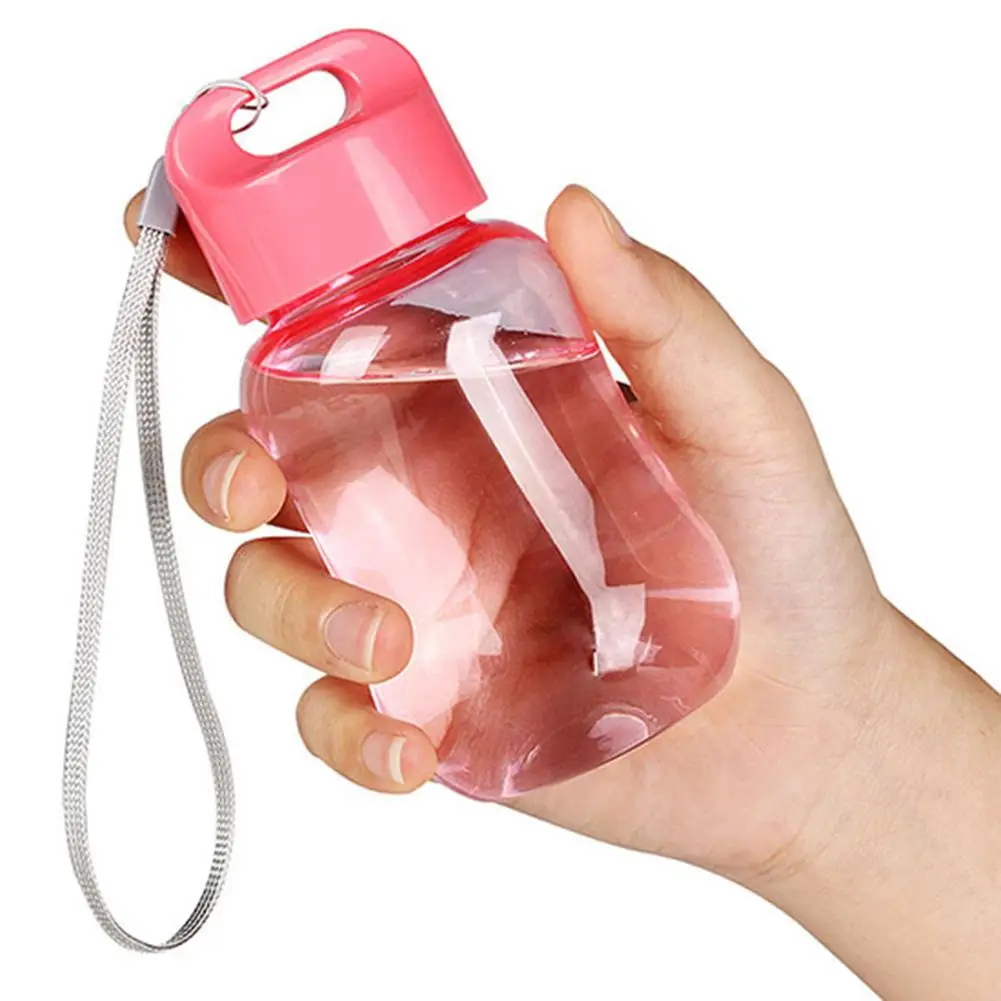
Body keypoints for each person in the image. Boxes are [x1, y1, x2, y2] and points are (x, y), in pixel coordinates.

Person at [125, 183, 1001, 1000]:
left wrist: (840, 741)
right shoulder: (320, 354)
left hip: (691, 640)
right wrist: (836, 772)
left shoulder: (502, 269)